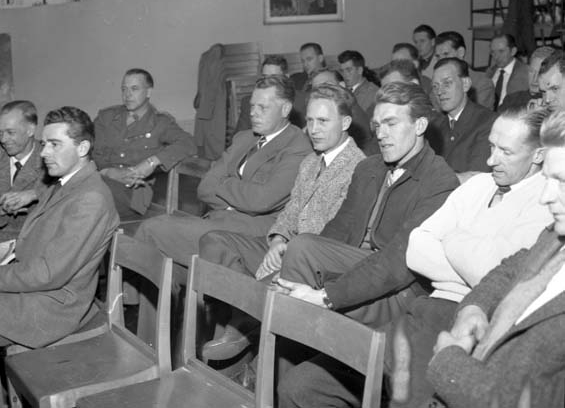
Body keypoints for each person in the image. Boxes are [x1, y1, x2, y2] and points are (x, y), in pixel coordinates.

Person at [279, 107, 553, 408]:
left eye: (505, 152)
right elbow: (417, 248)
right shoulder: (478, 185)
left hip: (463, 326)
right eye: (491, 146)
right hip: (422, 310)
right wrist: (466, 255)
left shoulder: (547, 201)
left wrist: (450, 239)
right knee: (300, 386)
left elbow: (490, 272)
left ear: (538, 155)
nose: (490, 160)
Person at [199, 84, 365, 360]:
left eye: (323, 121)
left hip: (313, 265)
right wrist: (277, 240)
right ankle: (247, 316)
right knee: (214, 242)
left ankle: (244, 325)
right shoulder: (311, 162)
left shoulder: (358, 168)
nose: (313, 129)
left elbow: (336, 235)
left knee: (262, 287)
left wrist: (288, 251)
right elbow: (291, 211)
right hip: (286, 249)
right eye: (310, 121)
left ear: (346, 123)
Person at [274, 82, 458, 327]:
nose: (380, 134)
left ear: (420, 126)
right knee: (277, 282)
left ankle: (278, 344)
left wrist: (327, 296)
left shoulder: (440, 181)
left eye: (391, 124)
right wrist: (308, 270)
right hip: (354, 272)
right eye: (377, 125)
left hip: (398, 291)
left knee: (300, 250)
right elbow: (337, 230)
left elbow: (398, 263)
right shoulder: (368, 167)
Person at [426, 109, 565, 408]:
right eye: (548, 180)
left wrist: (448, 364)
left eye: (562, 182)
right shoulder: (555, 236)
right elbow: (507, 270)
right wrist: (474, 307)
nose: (545, 197)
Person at [134, 75, 313, 279]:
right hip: (217, 221)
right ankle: (165, 297)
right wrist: (236, 201)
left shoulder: (298, 147)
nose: (253, 113)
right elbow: (205, 187)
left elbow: (261, 201)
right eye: (252, 106)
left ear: (285, 109)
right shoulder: (244, 138)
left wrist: (225, 183)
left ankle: (128, 298)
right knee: (166, 267)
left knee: (151, 230)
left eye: (262, 107)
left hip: (249, 235)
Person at [0, 106, 118, 348]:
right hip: (35, 290)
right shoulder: (64, 184)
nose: (44, 152)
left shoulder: (90, 198)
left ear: (82, 148)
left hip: (51, 308)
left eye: (55, 144)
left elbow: (47, 274)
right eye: (44, 144)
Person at [93, 68, 196, 220]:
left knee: (88, 196)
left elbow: (188, 143)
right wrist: (108, 172)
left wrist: (151, 162)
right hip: (102, 181)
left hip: (133, 193)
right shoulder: (106, 118)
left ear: (148, 92)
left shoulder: (160, 123)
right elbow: (94, 152)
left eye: (134, 89)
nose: (127, 95)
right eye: (124, 89)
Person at [427, 58, 495, 182]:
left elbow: (476, 179)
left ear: (465, 84)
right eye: (435, 86)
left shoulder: (488, 122)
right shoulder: (434, 127)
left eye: (447, 83)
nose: (440, 92)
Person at [0, 101, 50, 241]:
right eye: (0, 133)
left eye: (10, 132)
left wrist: (35, 193)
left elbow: (70, 189)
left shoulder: (51, 158)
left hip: (33, 243)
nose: (3, 139)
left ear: (30, 130)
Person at [294, 68, 373, 152]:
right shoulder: (315, 111)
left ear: (342, 86)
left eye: (326, 87)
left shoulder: (355, 117)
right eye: (316, 89)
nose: (313, 130)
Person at [234, 55, 302, 134]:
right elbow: (240, 136)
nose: (268, 81)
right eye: (265, 77)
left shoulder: (300, 102)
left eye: (274, 77)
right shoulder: (248, 103)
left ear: (286, 77)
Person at [433, 31, 495, 110]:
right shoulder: (436, 85)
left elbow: (478, 115)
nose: (441, 60)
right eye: (438, 56)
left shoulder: (482, 84)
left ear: (460, 52)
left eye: (446, 54)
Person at [497, 45, 556, 111]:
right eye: (531, 71)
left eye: (540, 73)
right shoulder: (510, 100)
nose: (534, 79)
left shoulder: (554, 104)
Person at [486, 34, 529, 110]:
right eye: (493, 52)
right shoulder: (489, 72)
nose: (496, 56)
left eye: (501, 51)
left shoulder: (525, 73)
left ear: (513, 51)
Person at [338, 50, 379, 115]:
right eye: (342, 71)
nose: (344, 75)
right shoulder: (341, 89)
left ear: (360, 70)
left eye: (349, 70)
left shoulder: (372, 92)